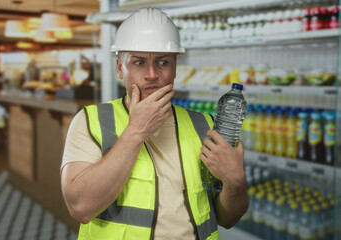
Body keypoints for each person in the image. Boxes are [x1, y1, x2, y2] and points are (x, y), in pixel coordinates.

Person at [60, 7, 248, 240]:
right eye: (139, 63)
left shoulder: (204, 125)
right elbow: (80, 207)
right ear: (120, 68)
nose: (151, 74)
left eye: (163, 62)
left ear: (175, 68)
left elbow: (227, 219)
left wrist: (236, 182)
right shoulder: (90, 121)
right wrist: (136, 131)